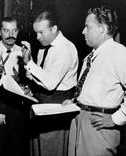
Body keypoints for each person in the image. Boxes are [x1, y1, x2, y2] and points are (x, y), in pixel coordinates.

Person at [62, 5, 126, 156]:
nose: (83, 31)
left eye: (87, 27)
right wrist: (75, 101)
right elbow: (92, 89)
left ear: (102, 28)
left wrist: (117, 119)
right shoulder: (91, 56)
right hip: (78, 121)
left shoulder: (119, 54)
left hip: (98, 127)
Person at [22, 11, 79, 156]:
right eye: (36, 33)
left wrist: (29, 63)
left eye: (41, 32)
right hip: (41, 100)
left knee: (52, 149)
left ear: (54, 29)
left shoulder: (65, 49)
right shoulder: (45, 46)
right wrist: (31, 86)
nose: (37, 37)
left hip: (58, 104)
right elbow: (42, 75)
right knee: (37, 148)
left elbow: (51, 83)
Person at [0, 17, 30, 156]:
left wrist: (26, 84)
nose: (10, 35)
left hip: (16, 98)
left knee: (17, 141)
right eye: (6, 30)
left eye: (14, 30)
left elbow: (30, 76)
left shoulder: (24, 52)